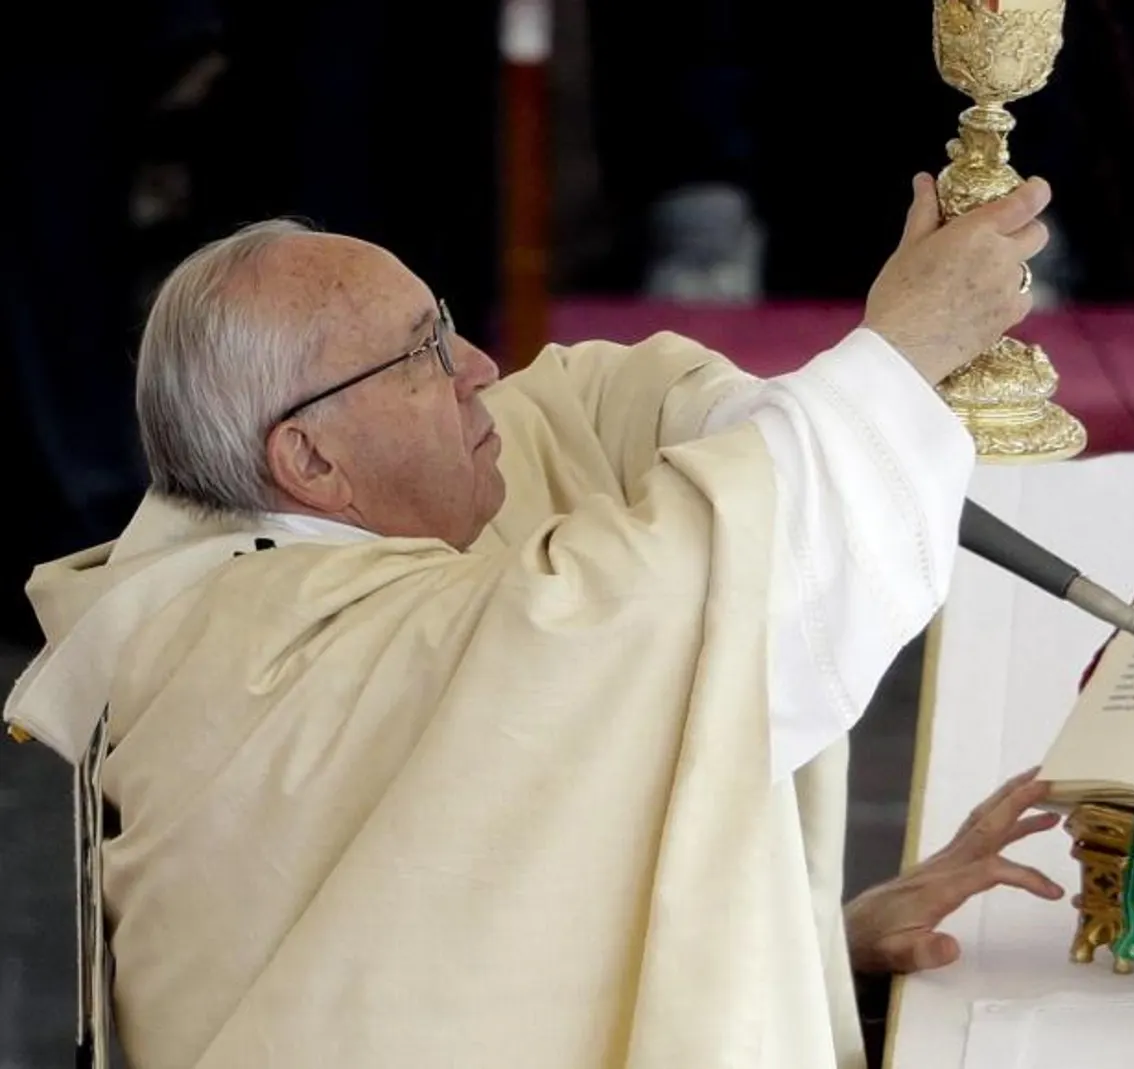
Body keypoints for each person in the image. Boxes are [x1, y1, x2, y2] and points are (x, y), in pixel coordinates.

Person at [3, 173, 1064, 1069]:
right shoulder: (284, 660)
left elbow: (464, 947)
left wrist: (814, 947)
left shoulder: (283, 548)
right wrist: (899, 352)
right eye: (423, 353)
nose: (478, 371)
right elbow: (656, 598)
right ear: (309, 458)